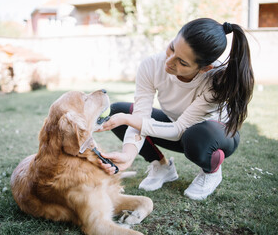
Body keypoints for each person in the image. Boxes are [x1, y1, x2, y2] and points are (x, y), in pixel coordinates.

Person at [97, 18, 254, 200]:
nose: (169, 62)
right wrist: (128, 155)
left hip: (214, 136)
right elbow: (141, 115)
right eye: (172, 47)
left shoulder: (215, 80)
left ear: (204, 68)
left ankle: (211, 171)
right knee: (119, 111)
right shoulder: (151, 65)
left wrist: (128, 119)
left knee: (195, 135)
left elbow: (180, 129)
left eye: (182, 62)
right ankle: (162, 166)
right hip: (177, 128)